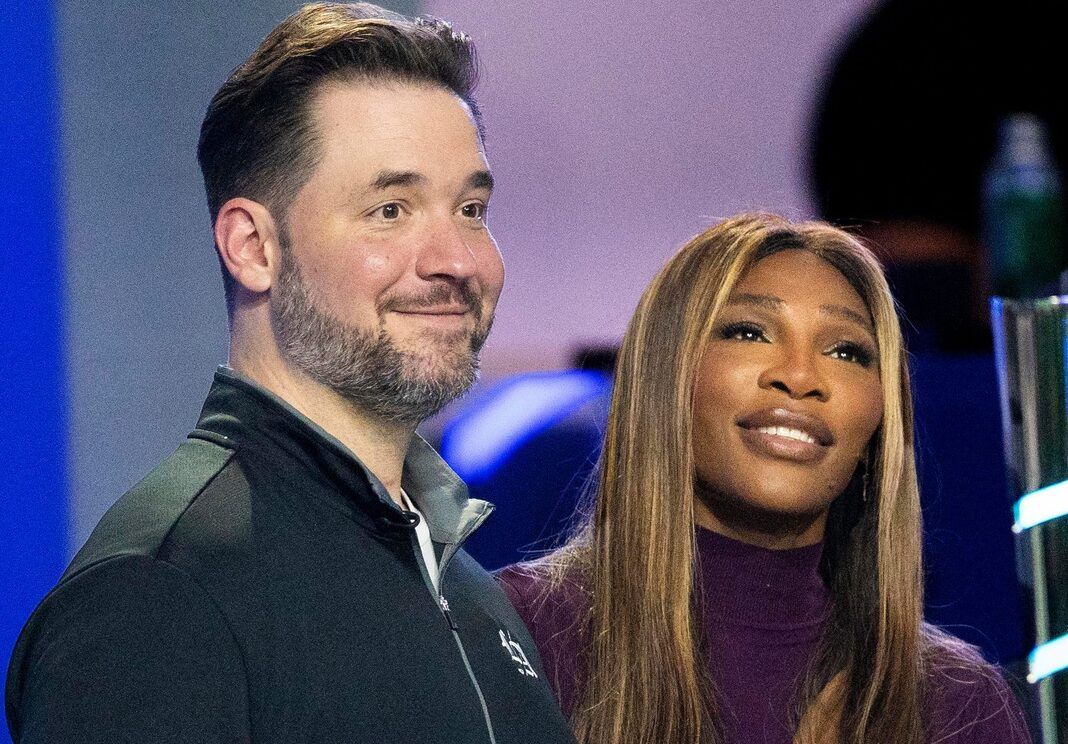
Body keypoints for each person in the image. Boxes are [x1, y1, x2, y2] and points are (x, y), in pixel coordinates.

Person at [5, 4, 575, 743]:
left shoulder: (464, 584)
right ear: (252, 246)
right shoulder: (159, 594)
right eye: (390, 209)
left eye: (470, 207)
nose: (458, 261)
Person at [498, 214, 1032, 743]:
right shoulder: (515, 635)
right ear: (664, 379)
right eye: (749, 332)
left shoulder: (956, 702)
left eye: (846, 351)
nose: (800, 376)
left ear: (876, 429)